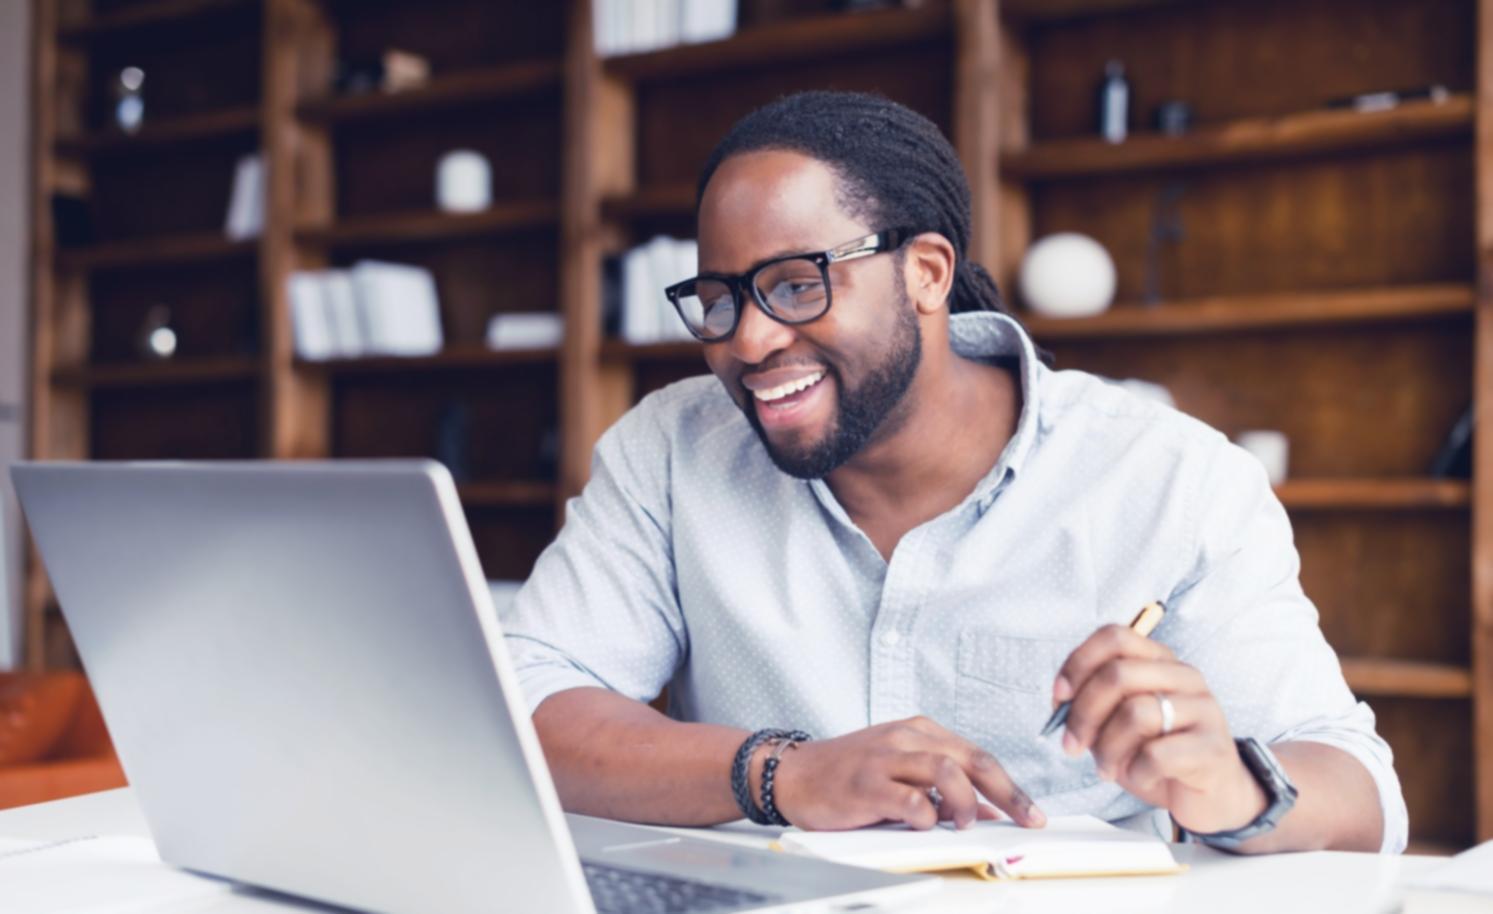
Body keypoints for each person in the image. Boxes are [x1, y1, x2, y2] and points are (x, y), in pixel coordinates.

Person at [502, 91, 1406, 854]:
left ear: (927, 271)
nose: (748, 339)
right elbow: (526, 703)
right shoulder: (670, 449)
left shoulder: (1168, 478)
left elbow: (1361, 794)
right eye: (719, 297)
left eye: (794, 284)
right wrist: (780, 773)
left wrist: (1232, 786)